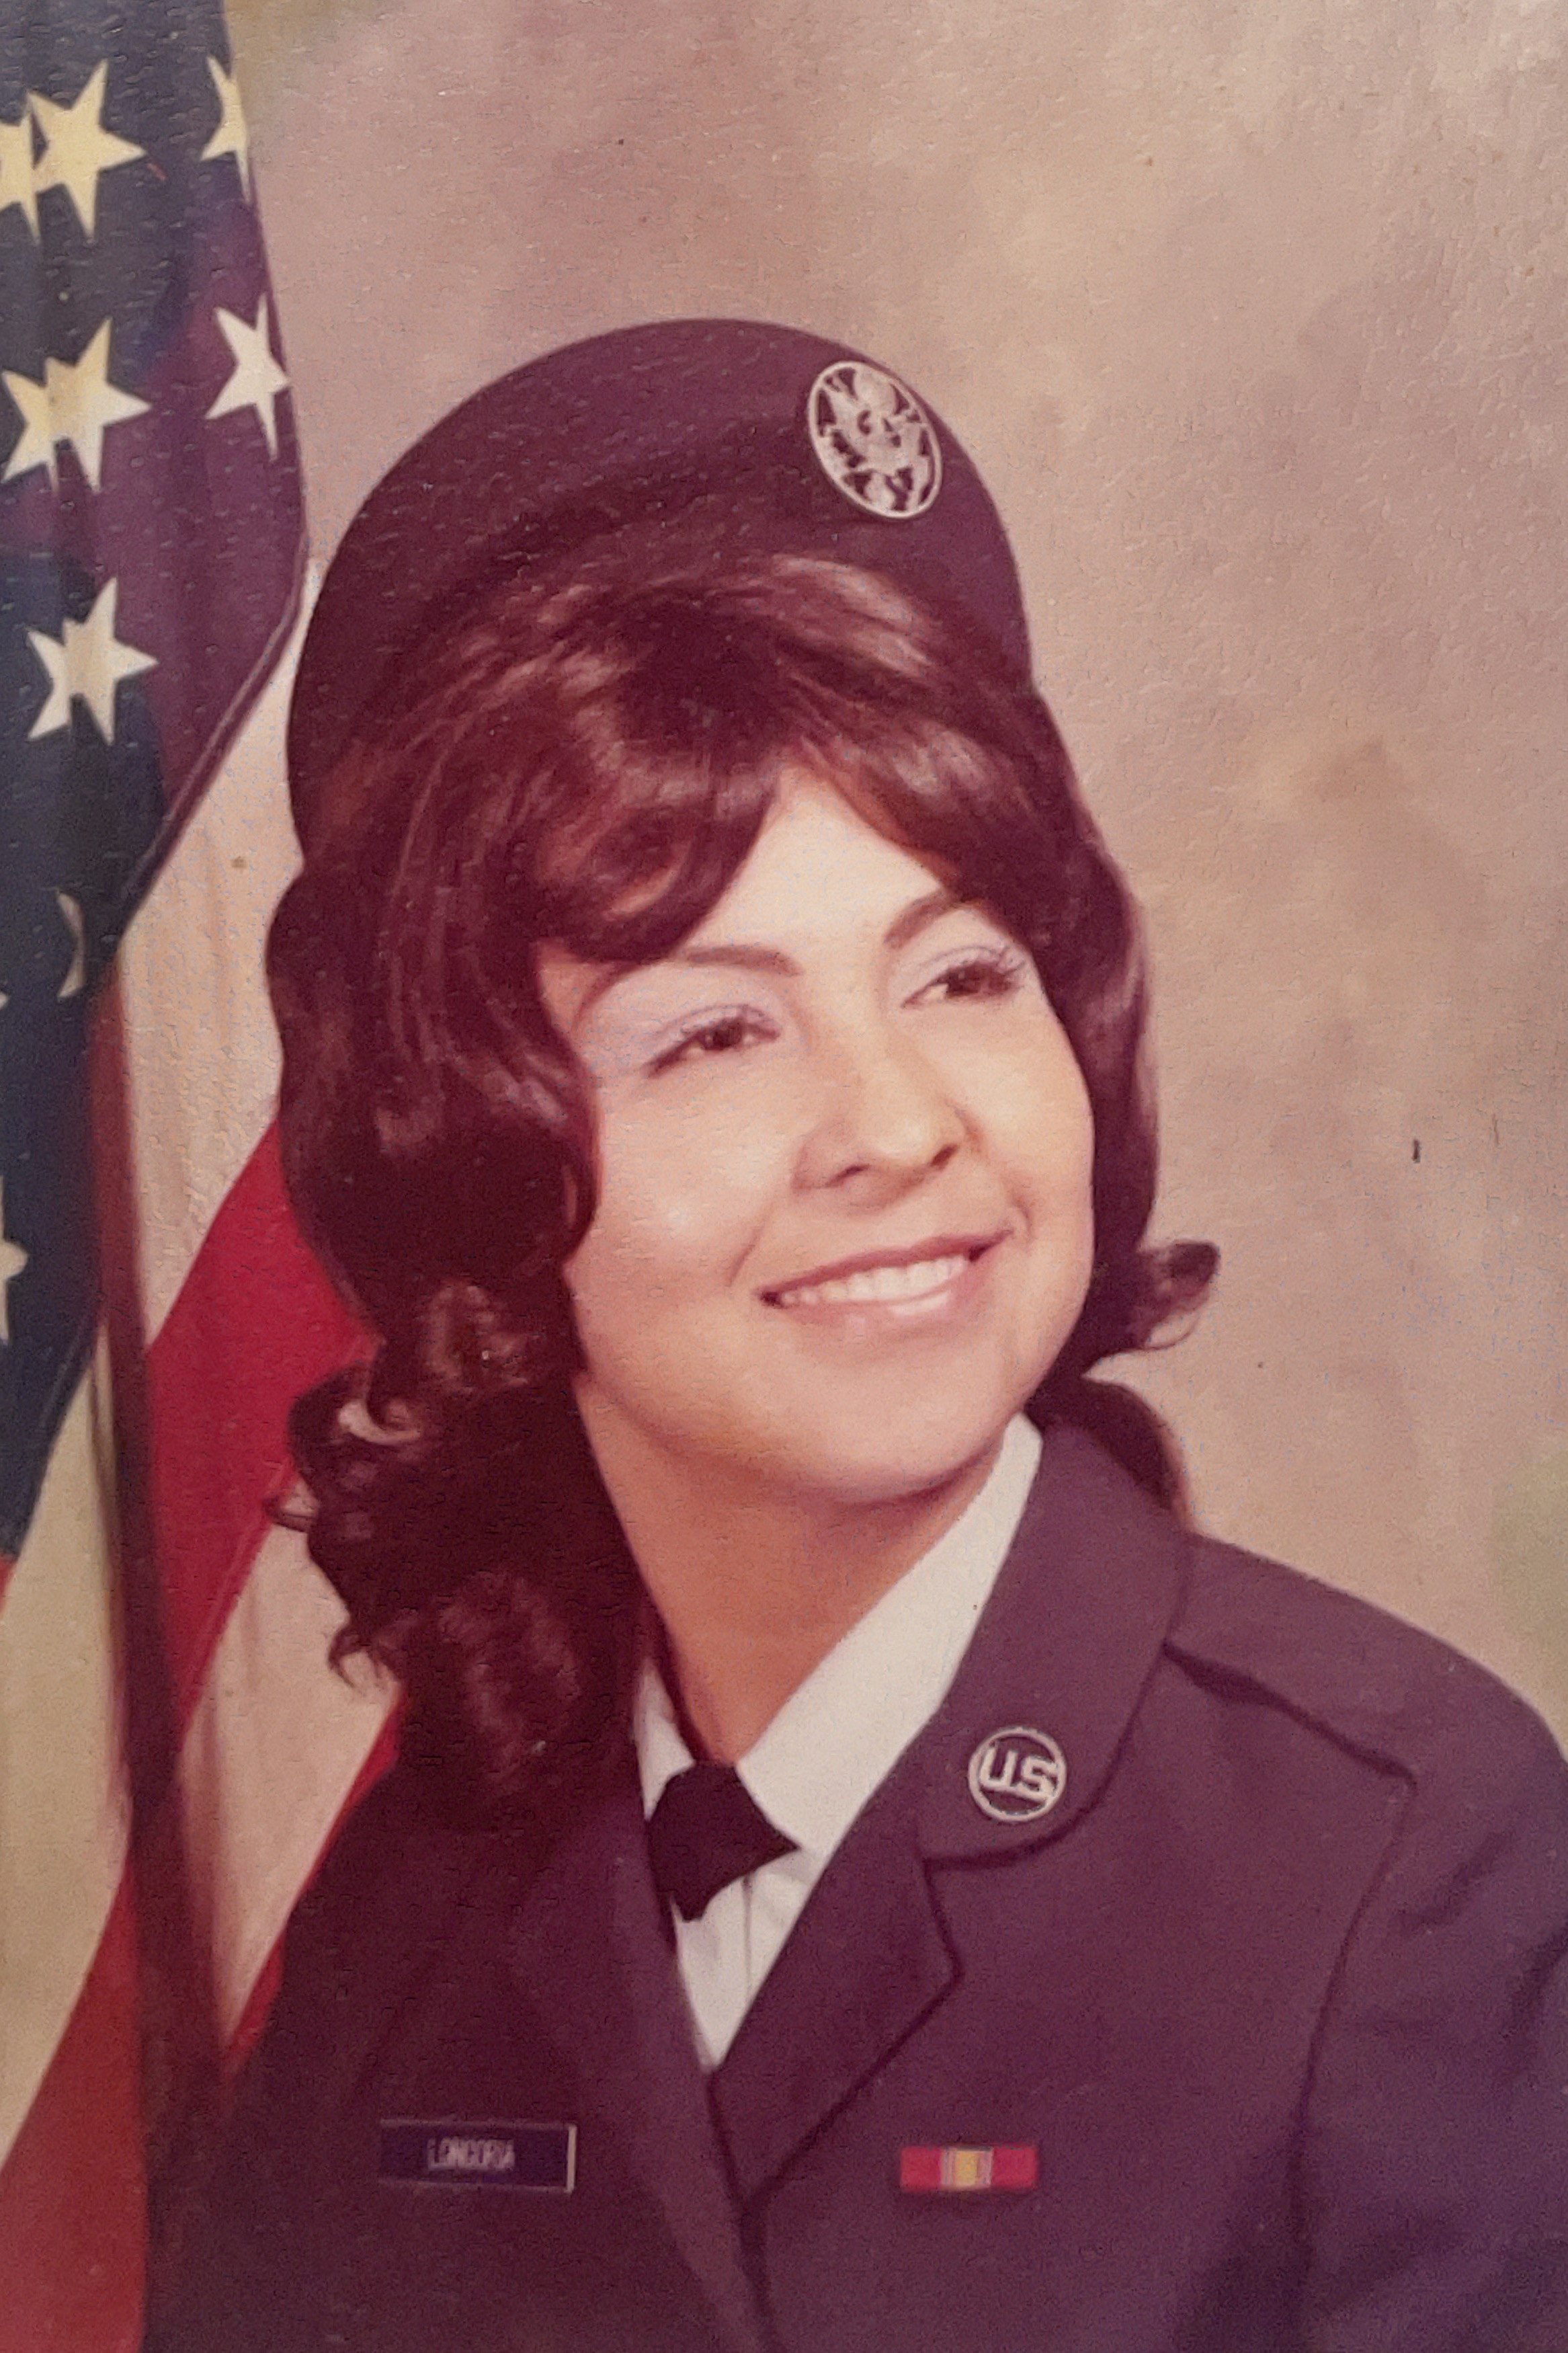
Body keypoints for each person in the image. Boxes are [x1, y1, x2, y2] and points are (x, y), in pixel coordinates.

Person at [149, 322, 1568, 2353]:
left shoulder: (1396, 1858)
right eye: (718, 1030)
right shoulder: (415, 1907)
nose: (900, 1126)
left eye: (963, 977)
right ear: (475, 1165)